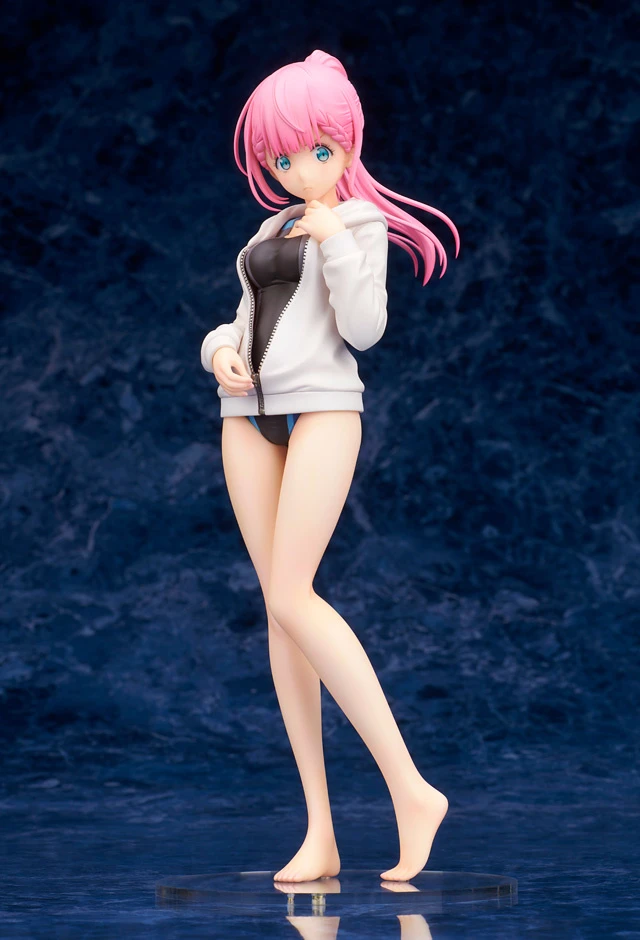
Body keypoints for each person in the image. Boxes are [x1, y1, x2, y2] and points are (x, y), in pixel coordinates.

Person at [200, 49, 460, 883]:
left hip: (321, 410)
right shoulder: (268, 230)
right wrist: (216, 352)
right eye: (282, 157)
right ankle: (320, 829)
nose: (300, 169)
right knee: (279, 616)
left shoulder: (357, 224)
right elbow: (243, 316)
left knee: (293, 594)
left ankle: (411, 789)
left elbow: (364, 329)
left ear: (347, 142)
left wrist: (336, 241)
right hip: (246, 418)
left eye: (317, 150)